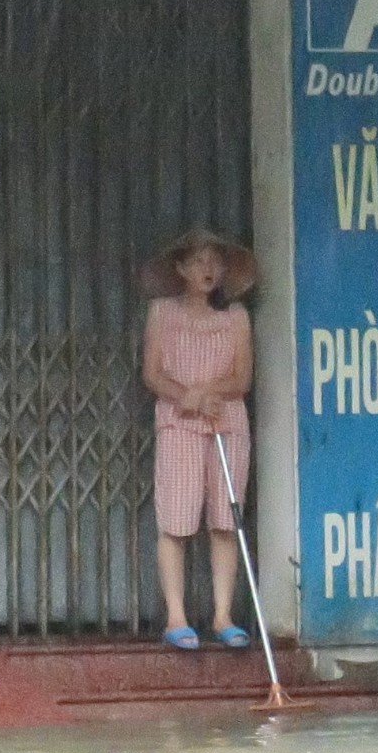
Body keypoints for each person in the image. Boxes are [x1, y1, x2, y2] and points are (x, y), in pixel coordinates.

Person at [140, 229, 258, 651]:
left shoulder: (236, 316)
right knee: (177, 520)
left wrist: (212, 394)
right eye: (198, 261)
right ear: (180, 269)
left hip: (226, 422)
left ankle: (223, 615)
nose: (208, 269)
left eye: (214, 261)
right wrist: (188, 396)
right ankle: (176, 616)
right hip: (178, 422)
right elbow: (152, 374)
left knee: (225, 521)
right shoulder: (162, 312)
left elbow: (242, 376)